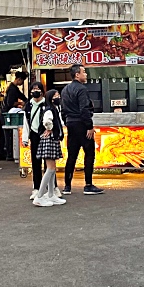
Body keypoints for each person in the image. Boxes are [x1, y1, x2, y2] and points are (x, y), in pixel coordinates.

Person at [61, 64, 102, 195]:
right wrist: (89, 126)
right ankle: (88, 184)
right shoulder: (82, 89)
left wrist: (67, 122)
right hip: (82, 124)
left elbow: (63, 110)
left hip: (70, 124)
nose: (86, 74)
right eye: (84, 72)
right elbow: (84, 108)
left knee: (72, 155)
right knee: (89, 154)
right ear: (77, 74)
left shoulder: (65, 90)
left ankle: (67, 186)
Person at [32, 89, 66, 206]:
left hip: (51, 140)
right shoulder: (50, 109)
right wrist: (49, 128)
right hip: (50, 140)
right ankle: (40, 196)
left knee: (52, 169)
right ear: (51, 98)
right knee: (50, 169)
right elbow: (47, 120)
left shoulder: (53, 108)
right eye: (56, 96)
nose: (58, 97)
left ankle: (51, 195)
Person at [26, 84, 47, 200]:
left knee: (48, 162)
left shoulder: (47, 104)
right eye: (33, 89)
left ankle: (52, 188)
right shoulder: (28, 105)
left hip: (46, 134)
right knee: (35, 162)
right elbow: (26, 122)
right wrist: (25, 138)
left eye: (38, 89)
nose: (36, 91)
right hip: (34, 135)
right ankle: (37, 188)